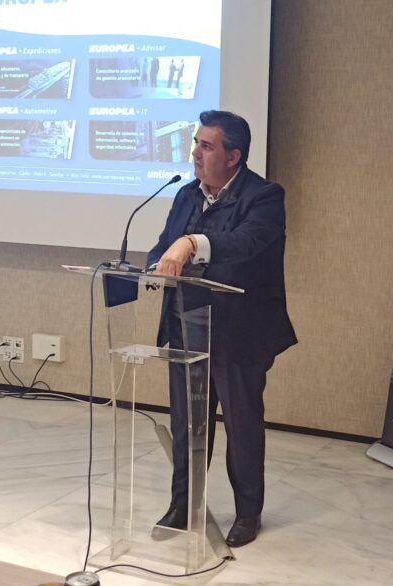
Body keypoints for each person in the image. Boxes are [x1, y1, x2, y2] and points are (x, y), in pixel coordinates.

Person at [147, 110, 297, 547]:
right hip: (186, 327)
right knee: (187, 424)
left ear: (233, 156)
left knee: (242, 426)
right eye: (196, 143)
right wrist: (153, 265)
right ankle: (183, 505)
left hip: (239, 332)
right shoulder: (186, 195)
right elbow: (165, 245)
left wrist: (192, 243)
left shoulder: (264, 196)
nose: (195, 153)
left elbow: (246, 244)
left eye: (206, 146)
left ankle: (248, 513)